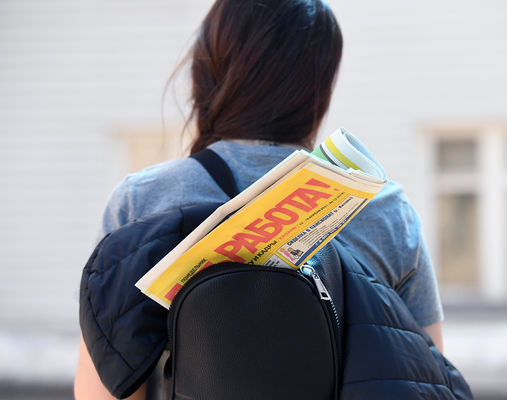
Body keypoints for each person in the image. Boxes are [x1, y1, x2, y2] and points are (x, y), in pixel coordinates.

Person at [74, 0, 444, 398]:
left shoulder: (141, 201)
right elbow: (425, 376)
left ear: (207, 71)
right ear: (320, 85)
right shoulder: (385, 210)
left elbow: (105, 390)